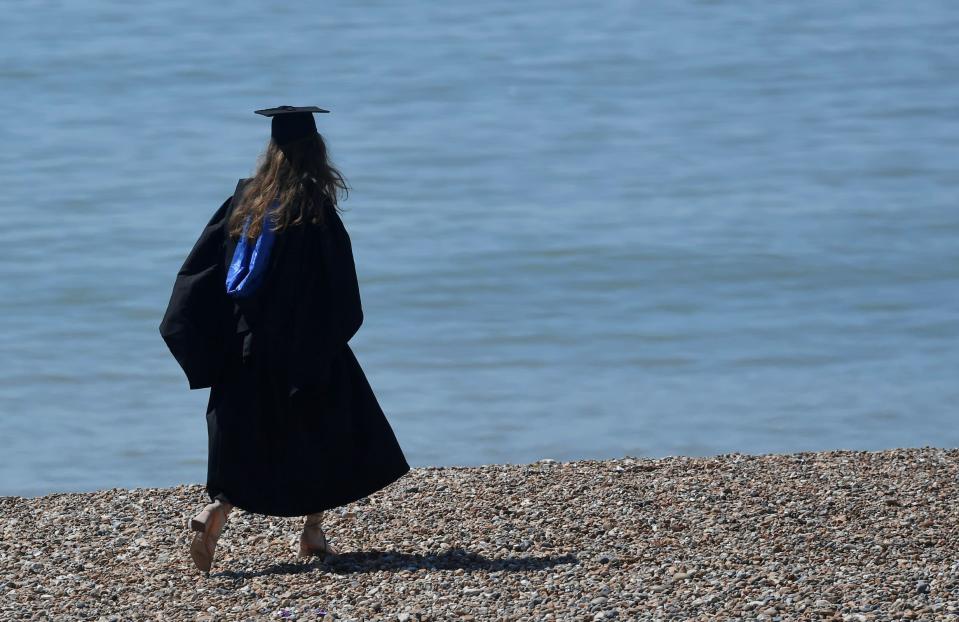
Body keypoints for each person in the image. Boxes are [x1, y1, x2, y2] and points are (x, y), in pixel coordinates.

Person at [159, 105, 411, 573]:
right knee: (331, 430)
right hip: (302, 347)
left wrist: (214, 342)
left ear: (271, 152)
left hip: (244, 348)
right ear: (317, 153)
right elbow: (341, 291)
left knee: (248, 438)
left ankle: (216, 512)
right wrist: (329, 340)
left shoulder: (242, 202)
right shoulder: (314, 208)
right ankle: (312, 528)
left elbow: (199, 275)